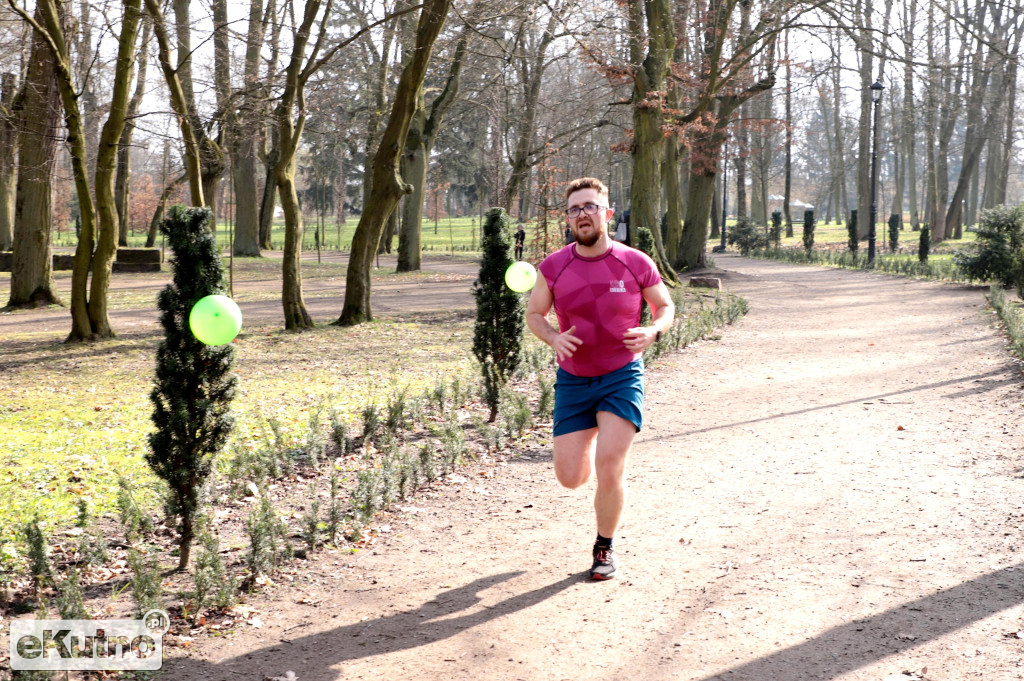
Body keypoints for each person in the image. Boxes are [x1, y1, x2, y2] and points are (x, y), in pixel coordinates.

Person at [526, 177, 674, 580]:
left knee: (611, 466)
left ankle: (604, 548)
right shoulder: (554, 266)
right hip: (574, 381)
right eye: (575, 209)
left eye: (590, 206)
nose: (583, 214)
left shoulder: (635, 261)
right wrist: (554, 337)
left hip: (621, 375)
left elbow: (664, 305)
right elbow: (534, 314)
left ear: (607, 214)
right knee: (571, 478)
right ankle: (588, 439)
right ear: (569, 219)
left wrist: (653, 331)